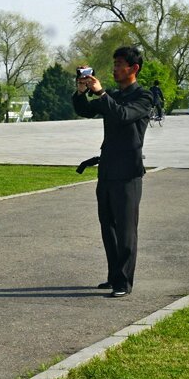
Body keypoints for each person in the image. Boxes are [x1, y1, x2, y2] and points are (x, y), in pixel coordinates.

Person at [72, 47, 152, 298]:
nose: (115, 68)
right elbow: (85, 110)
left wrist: (101, 93)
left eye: (119, 64)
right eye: (114, 64)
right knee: (108, 227)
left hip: (128, 172)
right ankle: (114, 275)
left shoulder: (144, 97)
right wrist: (81, 91)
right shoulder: (114, 95)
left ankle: (124, 282)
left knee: (126, 229)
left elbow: (123, 115)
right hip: (107, 169)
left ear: (134, 68)